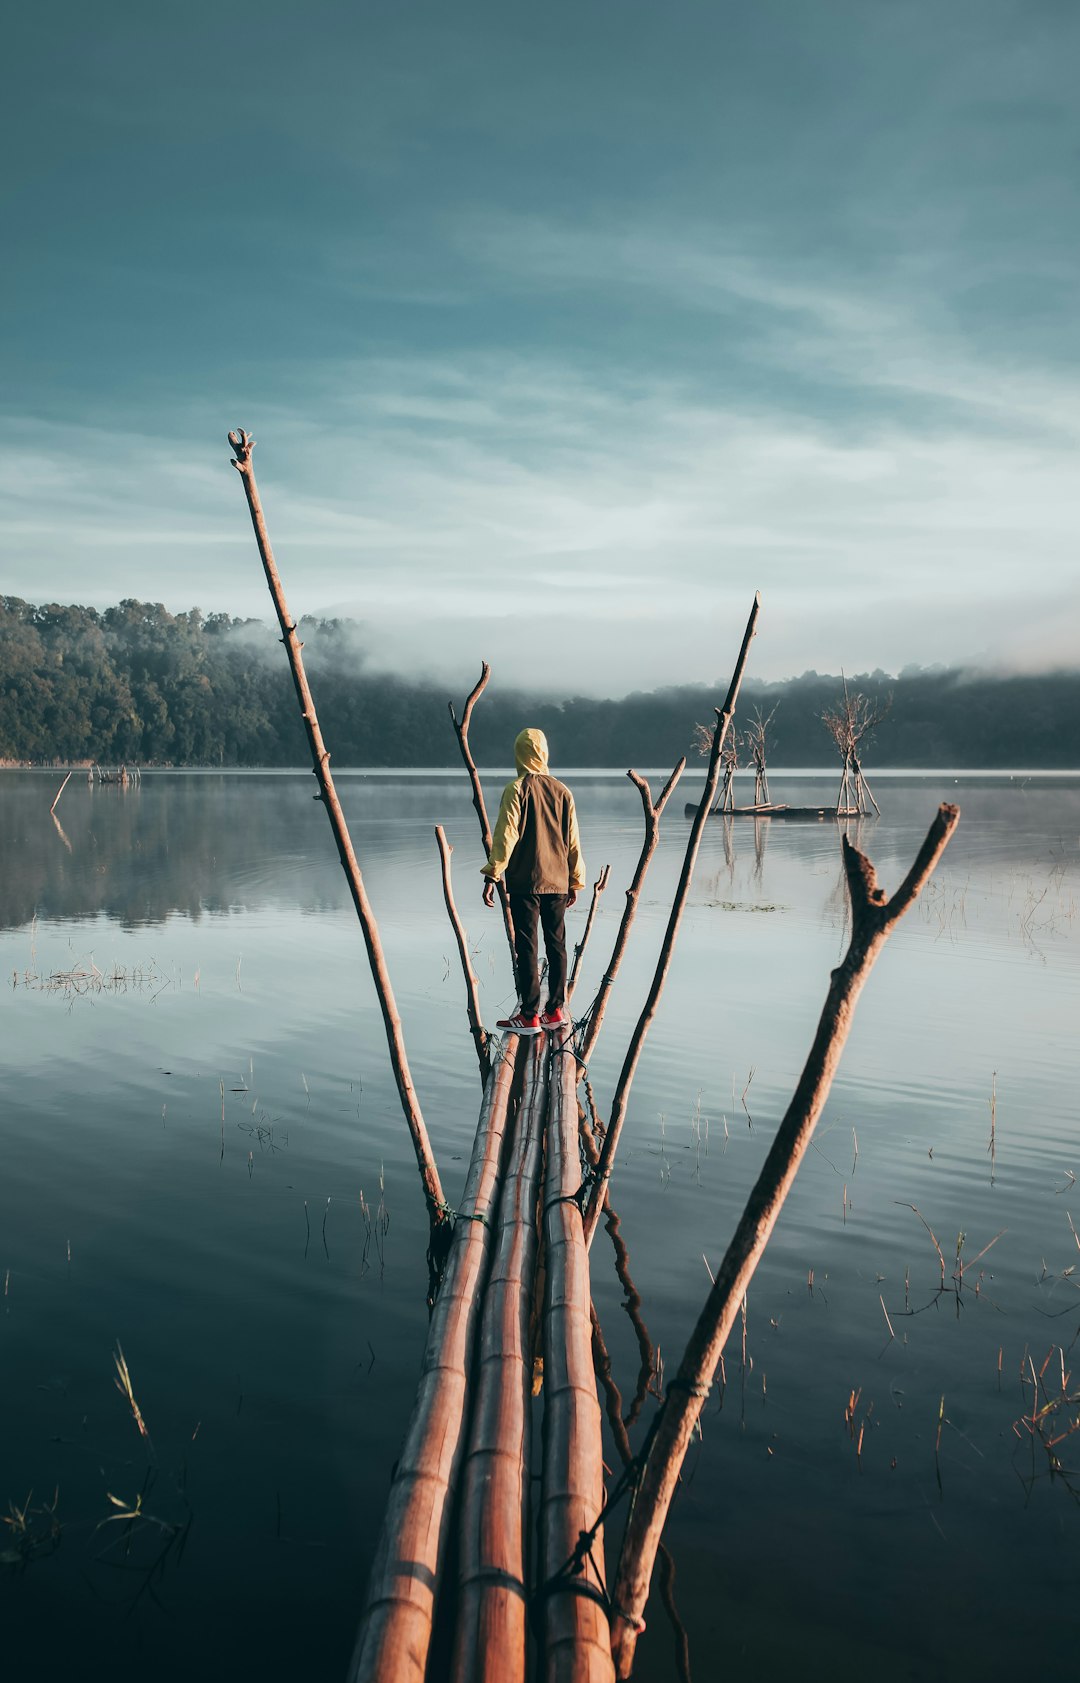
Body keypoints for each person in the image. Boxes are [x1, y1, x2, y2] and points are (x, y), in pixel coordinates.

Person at [481, 727, 585, 1035]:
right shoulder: (563, 791)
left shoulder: (517, 789)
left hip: (526, 882)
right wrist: (576, 879)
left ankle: (528, 1015)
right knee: (557, 944)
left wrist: (493, 872)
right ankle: (554, 1010)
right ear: (544, 754)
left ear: (519, 754)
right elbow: (573, 841)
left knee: (527, 945)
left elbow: (506, 836)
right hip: (557, 881)